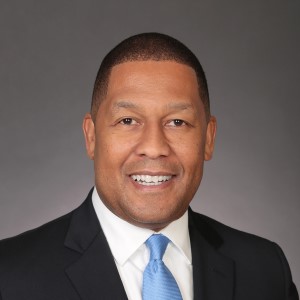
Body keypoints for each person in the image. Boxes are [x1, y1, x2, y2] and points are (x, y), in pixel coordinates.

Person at [0, 32, 298, 300]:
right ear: (91, 137)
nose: (154, 147)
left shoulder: (266, 271)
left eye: (177, 122)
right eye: (128, 121)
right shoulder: (9, 276)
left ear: (208, 138)